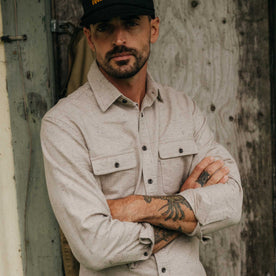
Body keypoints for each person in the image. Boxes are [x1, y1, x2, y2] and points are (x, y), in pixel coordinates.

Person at [40, 0, 243, 275]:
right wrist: (186, 211)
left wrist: (135, 207)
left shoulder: (184, 109)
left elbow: (230, 202)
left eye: (131, 23)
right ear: (89, 38)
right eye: (104, 28)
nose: (119, 39)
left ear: (154, 29)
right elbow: (94, 246)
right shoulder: (63, 124)